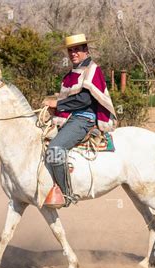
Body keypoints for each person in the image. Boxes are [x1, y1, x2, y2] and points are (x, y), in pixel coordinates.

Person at [42, 33, 117, 208]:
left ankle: (66, 194)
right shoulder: (71, 73)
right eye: (70, 50)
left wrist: (58, 103)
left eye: (77, 50)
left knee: (55, 148)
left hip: (84, 118)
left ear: (86, 50)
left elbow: (85, 100)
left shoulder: (92, 70)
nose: (73, 53)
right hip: (69, 118)